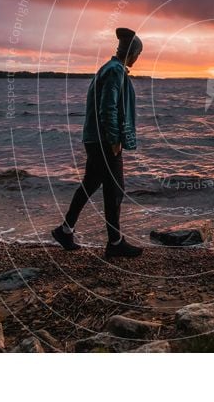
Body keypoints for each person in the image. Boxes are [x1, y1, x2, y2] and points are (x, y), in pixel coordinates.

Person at [52, 27, 144, 258]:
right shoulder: (115, 71)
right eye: (137, 54)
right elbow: (108, 108)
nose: (137, 58)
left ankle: (65, 230)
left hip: (94, 139)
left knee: (91, 184)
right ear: (131, 53)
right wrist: (113, 139)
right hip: (103, 141)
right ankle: (115, 242)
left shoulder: (110, 68)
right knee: (115, 189)